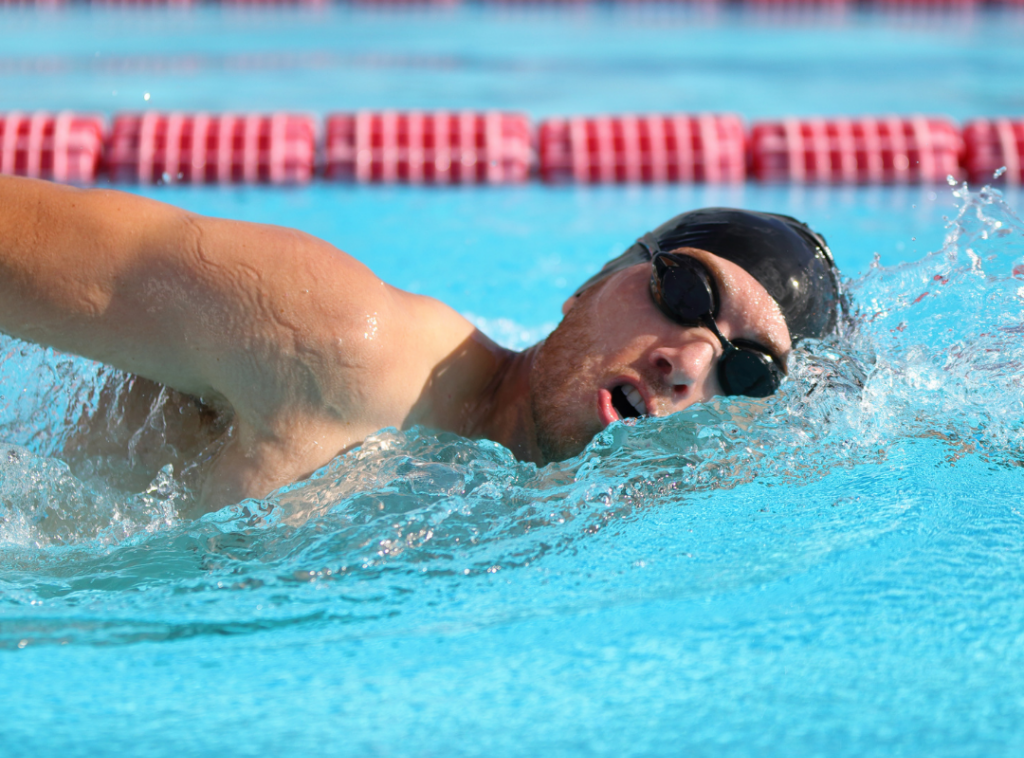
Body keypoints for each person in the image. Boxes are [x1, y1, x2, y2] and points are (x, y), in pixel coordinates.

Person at [0, 175, 842, 511]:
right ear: (593, 281)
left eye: (747, 373)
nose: (688, 360)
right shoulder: (333, 344)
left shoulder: (639, 531)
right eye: (686, 294)